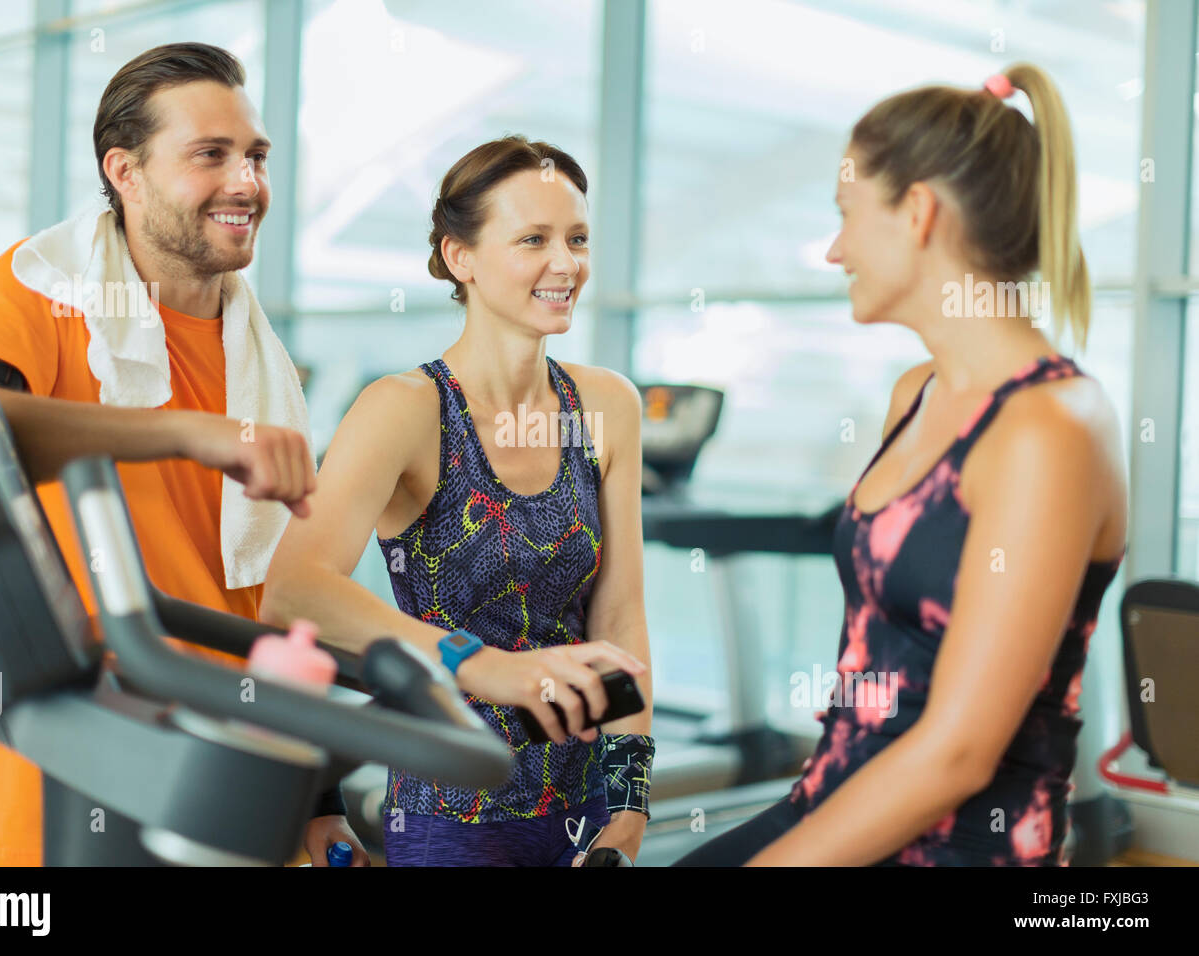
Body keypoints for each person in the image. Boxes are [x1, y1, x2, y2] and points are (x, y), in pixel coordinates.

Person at [674, 63, 1128, 867]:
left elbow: (956, 754)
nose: (834, 249)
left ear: (917, 212)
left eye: (847, 215)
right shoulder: (915, 393)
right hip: (836, 800)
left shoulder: (1049, 429)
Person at [0, 42, 367, 867]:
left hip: (232, 763)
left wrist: (320, 797)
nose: (246, 182)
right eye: (210, 155)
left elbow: (277, 598)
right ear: (125, 171)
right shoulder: (43, 290)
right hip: (74, 765)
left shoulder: (263, 359)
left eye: (255, 156)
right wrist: (185, 431)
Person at [262, 135, 653, 866]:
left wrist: (630, 801)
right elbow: (294, 591)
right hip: (451, 813)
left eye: (577, 238)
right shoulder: (404, 410)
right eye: (533, 239)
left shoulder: (606, 405)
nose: (566, 264)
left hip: (585, 806)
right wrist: (474, 663)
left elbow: (621, 614)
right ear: (461, 257)